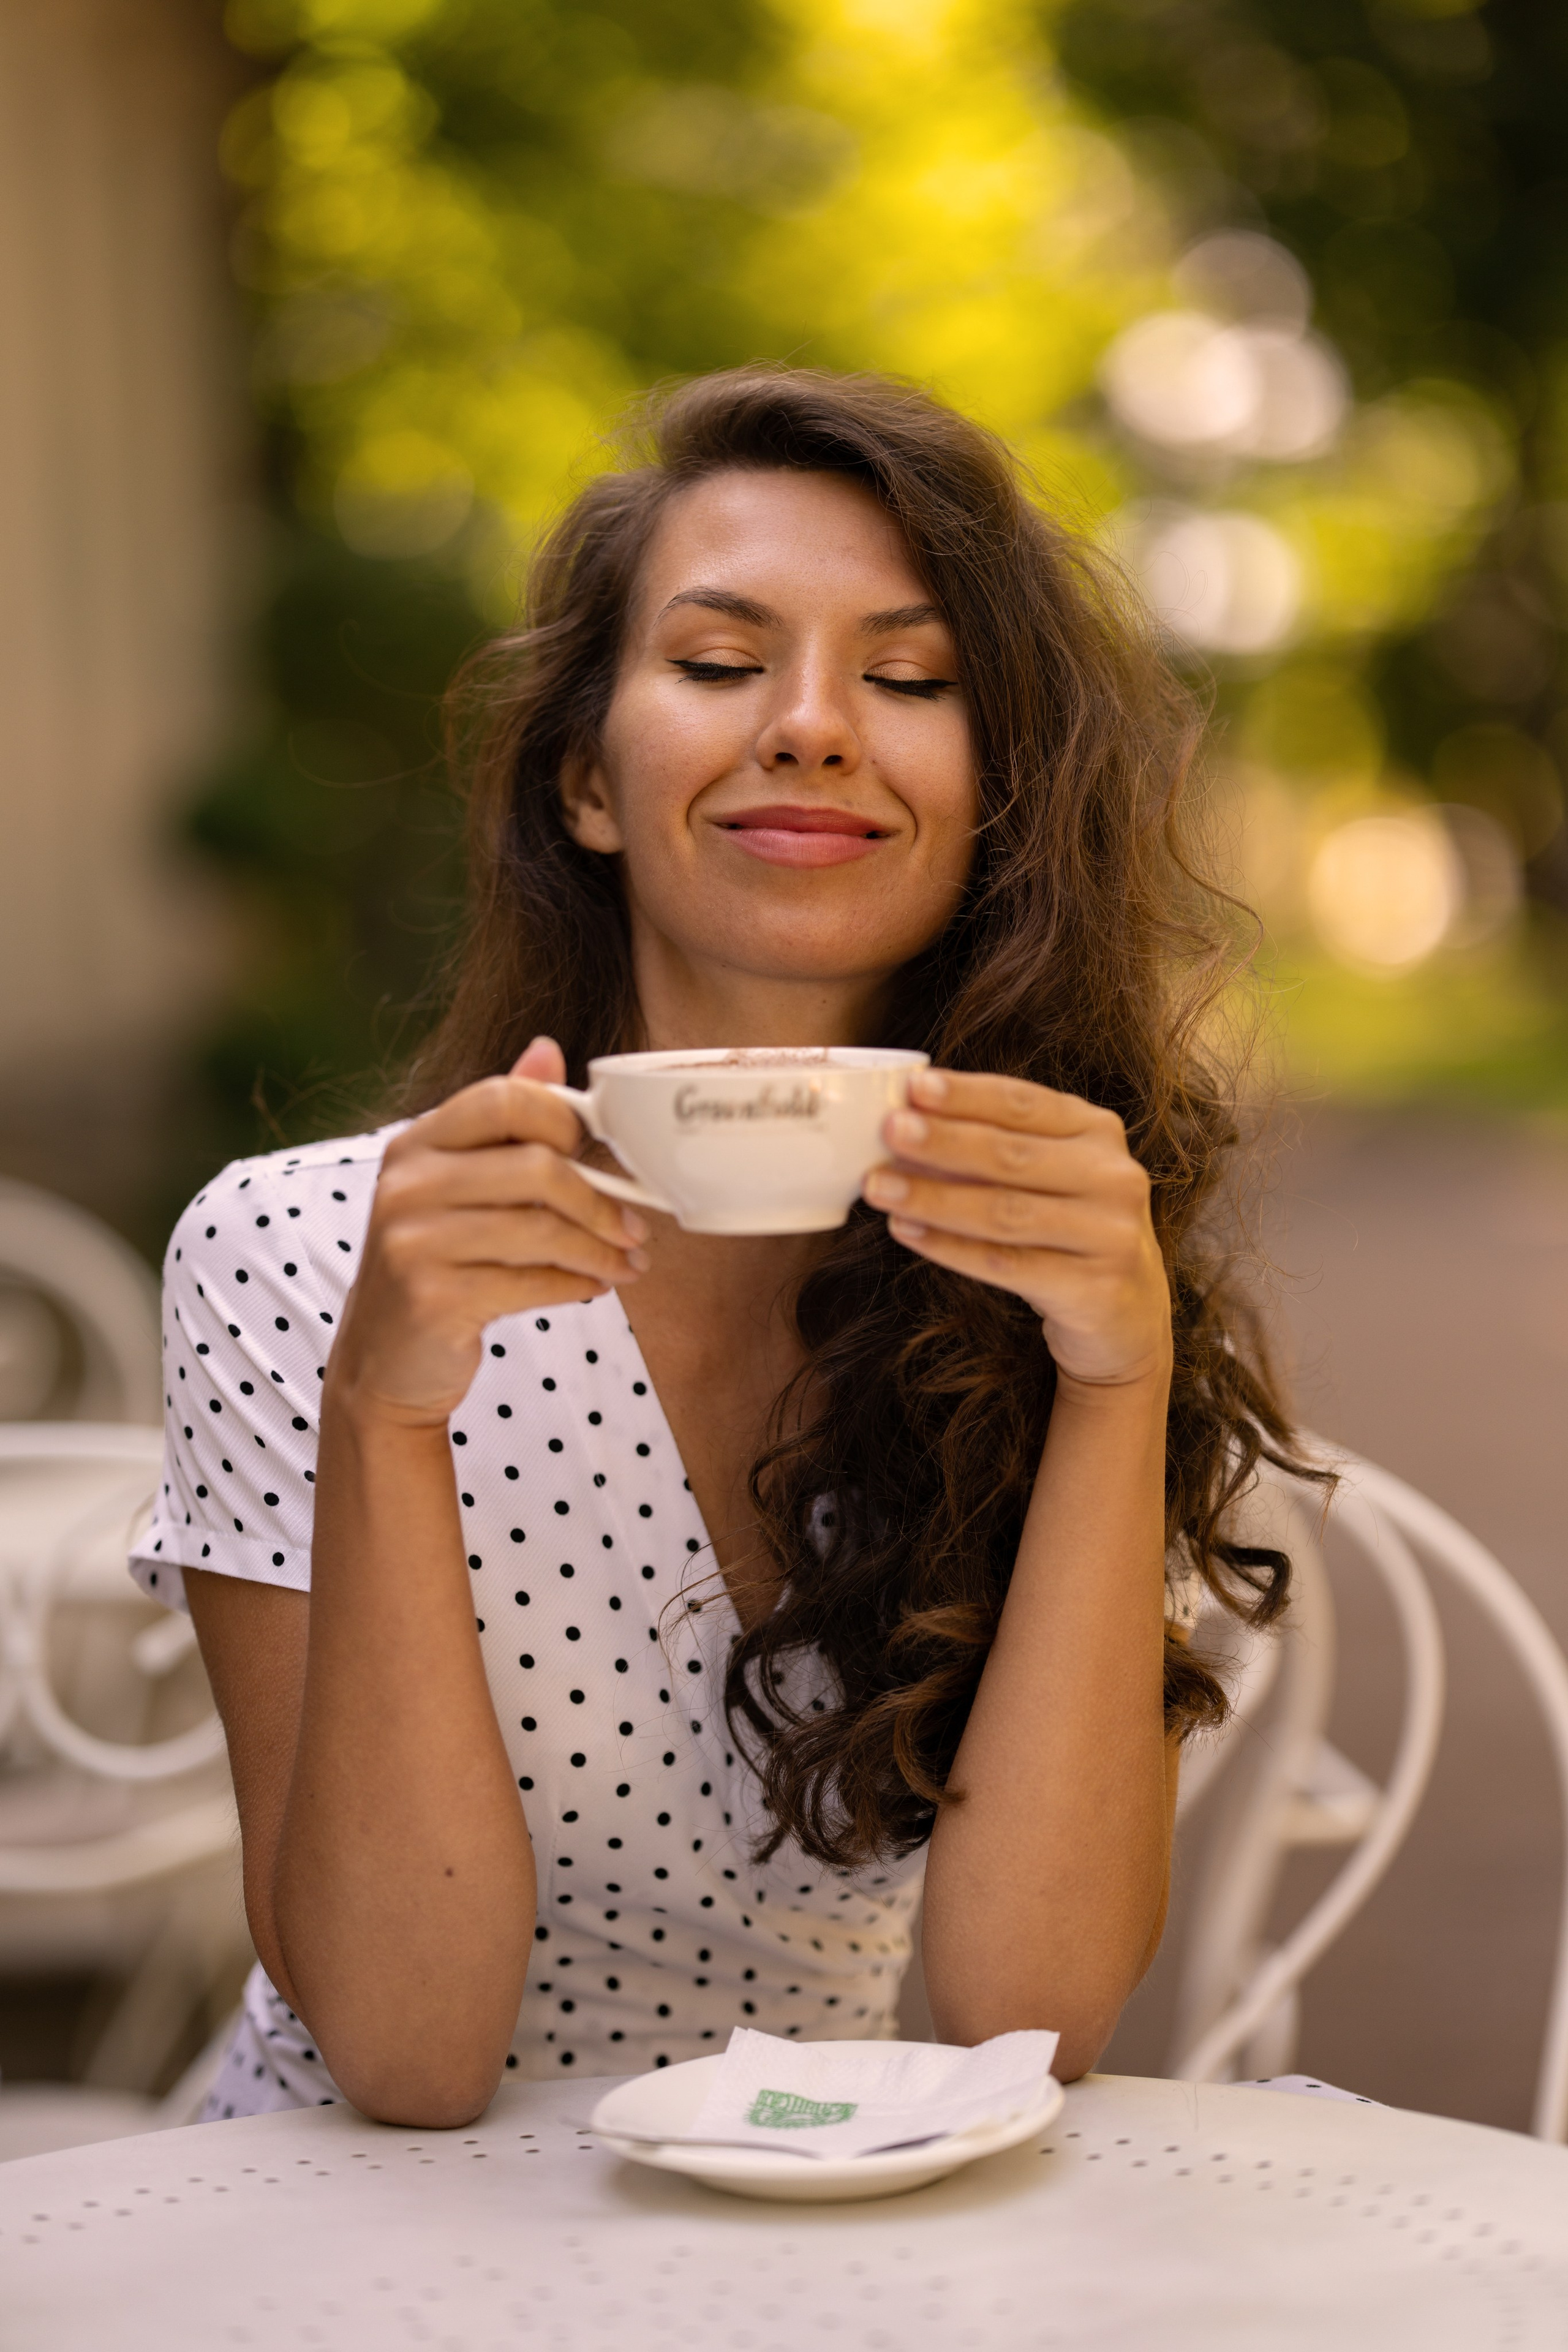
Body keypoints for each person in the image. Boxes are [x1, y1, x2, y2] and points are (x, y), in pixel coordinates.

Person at [131, 366, 1305, 2128]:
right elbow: (402, 2055)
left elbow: (1028, 2019)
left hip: (808, 2225)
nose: (816, 726)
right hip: (345, 2238)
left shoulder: (1047, 1260)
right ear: (587, 784)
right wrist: (387, 1412)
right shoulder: (305, 1251)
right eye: (717, 662)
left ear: (996, 802)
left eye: (910, 681)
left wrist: (1114, 1378)